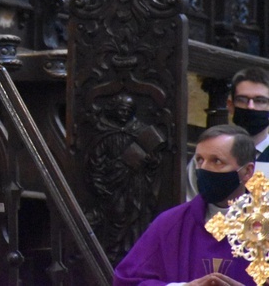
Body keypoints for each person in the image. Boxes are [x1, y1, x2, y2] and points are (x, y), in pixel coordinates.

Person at [113, 124, 256, 286]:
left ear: (247, 172)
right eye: (199, 160)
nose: (203, 169)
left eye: (216, 161)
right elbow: (126, 281)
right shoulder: (170, 223)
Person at [186, 67, 269, 199]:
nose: (251, 107)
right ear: (230, 105)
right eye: (242, 99)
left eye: (260, 101)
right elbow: (190, 203)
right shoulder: (207, 155)